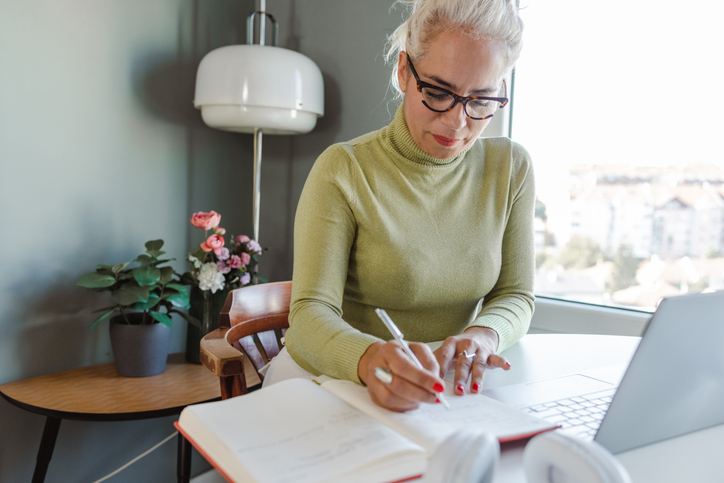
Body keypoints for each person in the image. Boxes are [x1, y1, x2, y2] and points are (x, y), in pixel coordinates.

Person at [265, 0, 534, 413]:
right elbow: (308, 316)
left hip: (440, 384)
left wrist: (484, 334)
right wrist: (369, 358)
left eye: (480, 100)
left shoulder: (510, 167)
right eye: (439, 92)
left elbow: (516, 294)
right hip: (331, 379)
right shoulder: (344, 169)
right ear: (404, 71)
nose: (457, 122)